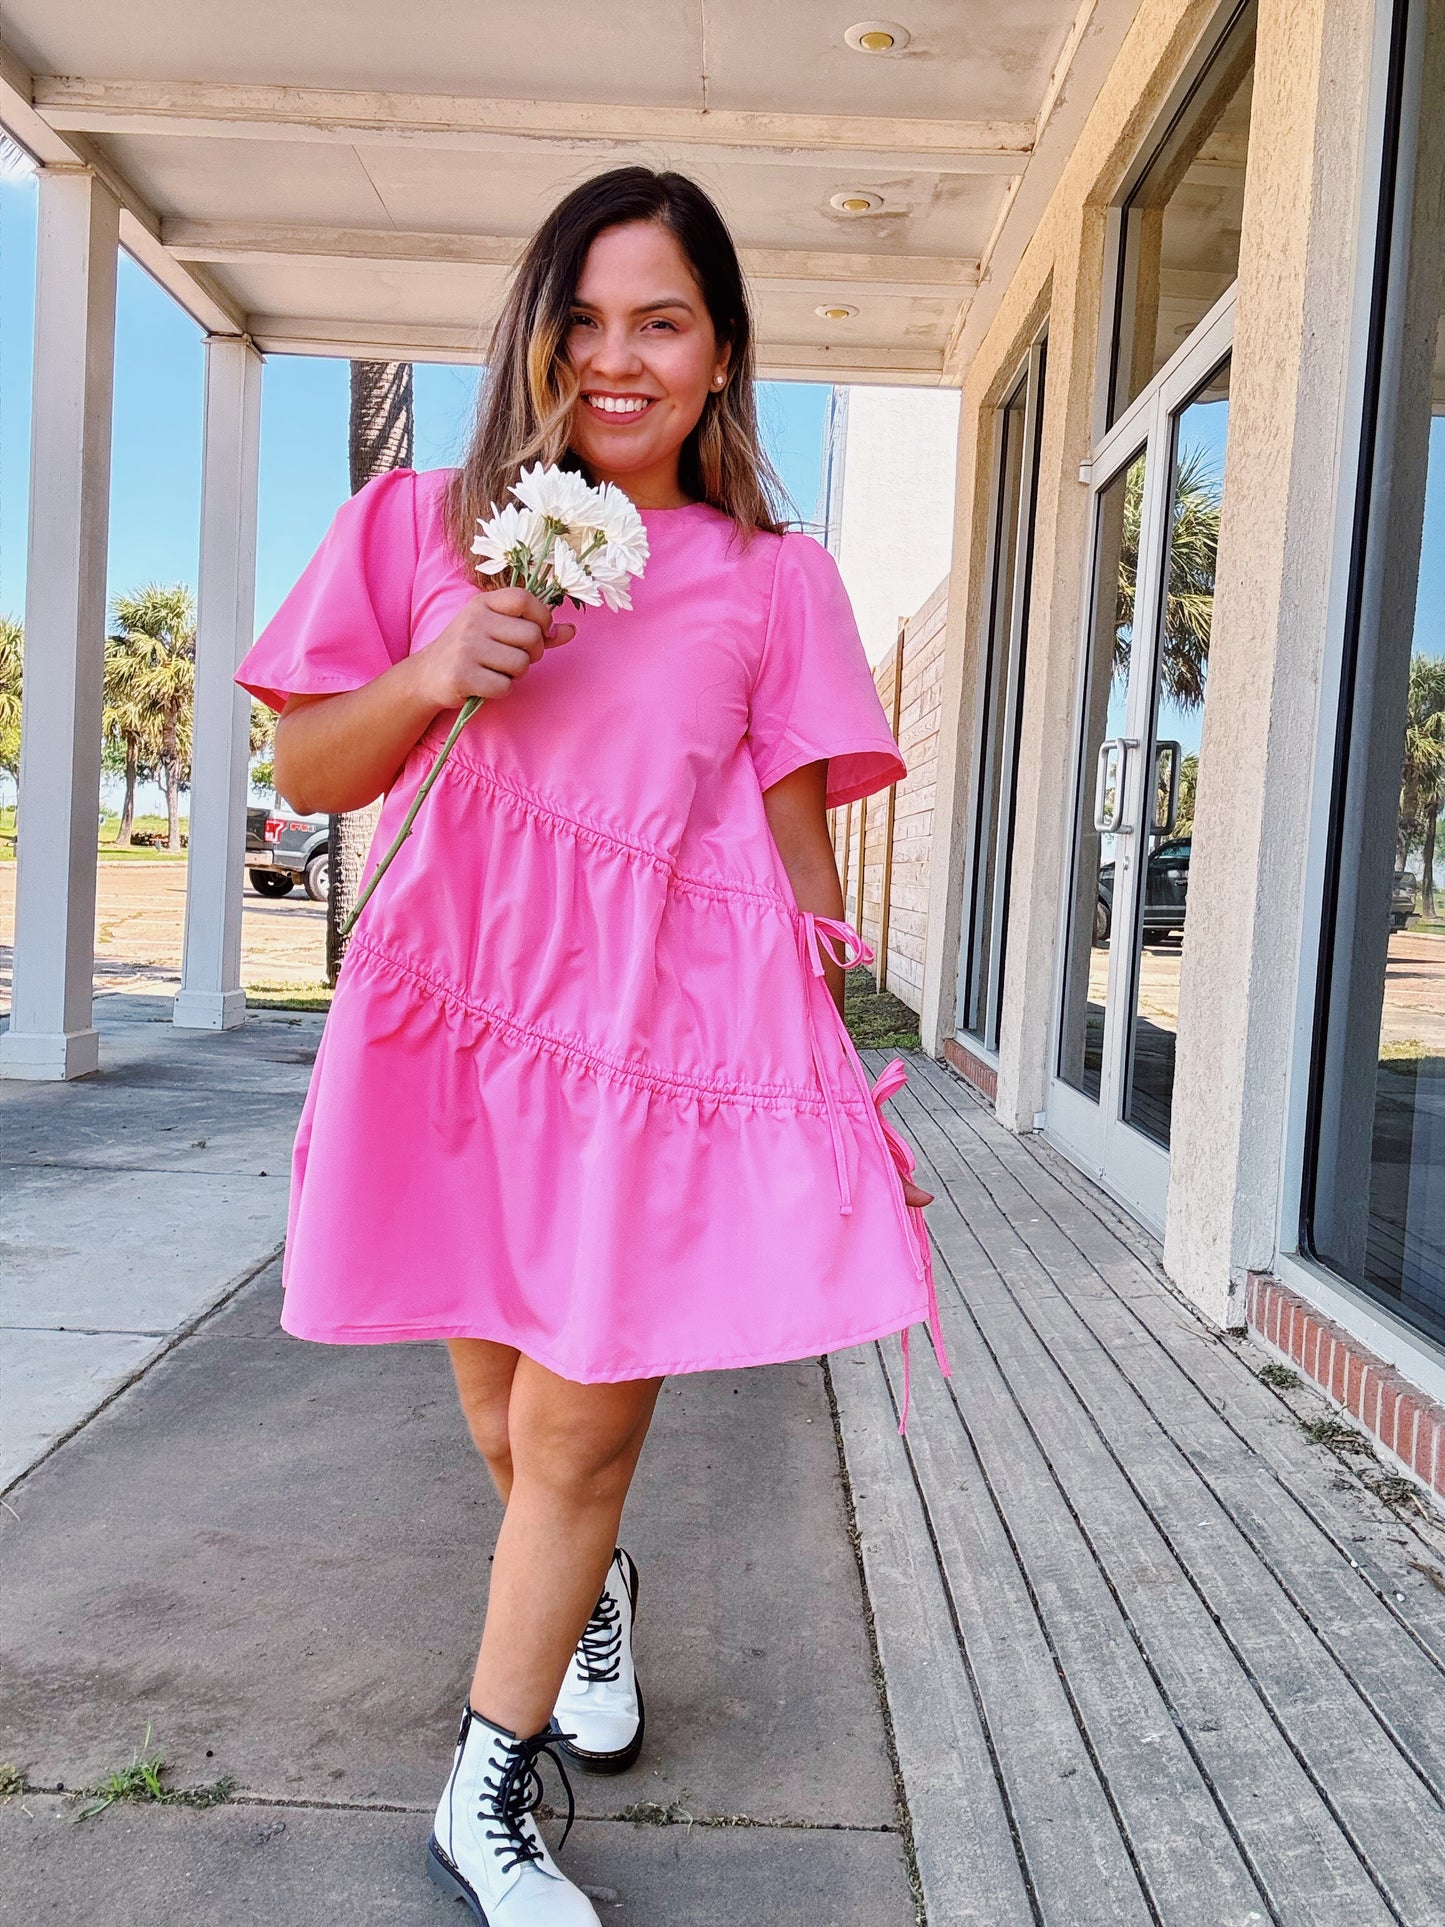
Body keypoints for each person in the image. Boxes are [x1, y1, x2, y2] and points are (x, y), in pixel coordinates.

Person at [235, 165, 945, 1926]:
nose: (615, 360)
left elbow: (795, 856)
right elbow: (307, 775)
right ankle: (592, 1598)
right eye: (584, 319)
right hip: (459, 1029)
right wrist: (428, 671)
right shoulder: (419, 522)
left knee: (571, 1442)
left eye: (661, 323)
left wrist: (829, 1073)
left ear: (720, 355)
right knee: (500, 1415)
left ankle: (485, 1794)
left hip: (644, 1049)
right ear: (536, 336)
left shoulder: (777, 579)